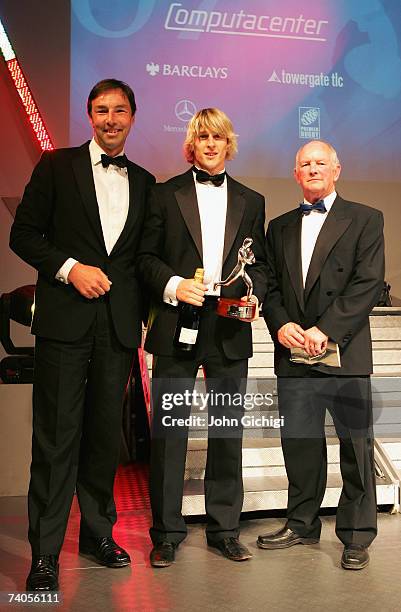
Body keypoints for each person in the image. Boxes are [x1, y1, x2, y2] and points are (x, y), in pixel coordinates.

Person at [10, 79, 155, 590]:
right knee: (55, 439)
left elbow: (142, 262)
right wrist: (70, 268)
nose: (110, 118)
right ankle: (45, 553)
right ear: (88, 116)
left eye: (119, 110)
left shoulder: (145, 180)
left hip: (117, 330)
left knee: (101, 440)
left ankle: (97, 533)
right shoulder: (55, 166)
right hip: (66, 324)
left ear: (133, 116)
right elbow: (22, 234)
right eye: (101, 110)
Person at [136, 108, 266, 567]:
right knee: (170, 433)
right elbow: (145, 259)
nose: (210, 144)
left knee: (227, 430)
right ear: (192, 144)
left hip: (229, 326)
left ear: (229, 143)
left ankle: (225, 529)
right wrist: (174, 285)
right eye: (202, 137)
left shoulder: (253, 200)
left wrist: (254, 298)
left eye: (218, 137)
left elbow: (261, 267)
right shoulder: (163, 194)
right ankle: (167, 533)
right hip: (177, 323)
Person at [258, 140, 384, 570]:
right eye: (304, 164)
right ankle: (301, 523)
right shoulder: (278, 227)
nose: (312, 169)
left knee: (355, 447)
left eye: (320, 163)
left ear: (337, 170)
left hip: (344, 352)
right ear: (295, 174)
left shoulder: (366, 218)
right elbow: (269, 286)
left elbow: (368, 283)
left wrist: (325, 330)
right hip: (294, 353)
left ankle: (355, 536)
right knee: (300, 444)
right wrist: (281, 325)